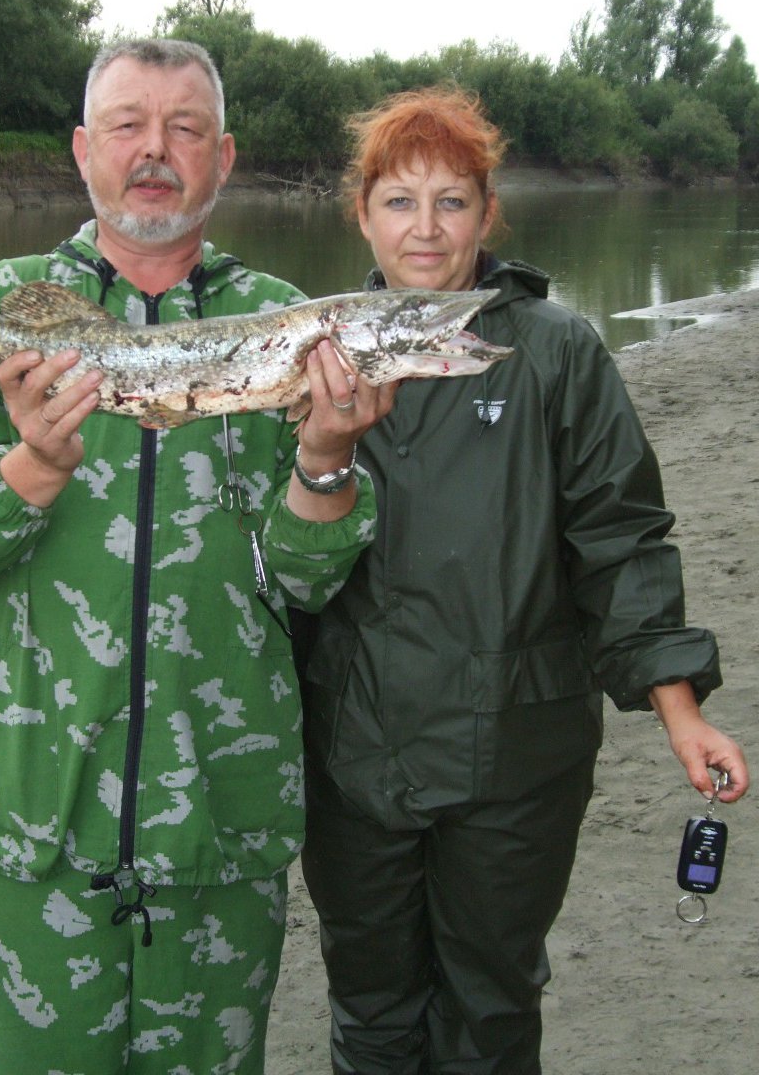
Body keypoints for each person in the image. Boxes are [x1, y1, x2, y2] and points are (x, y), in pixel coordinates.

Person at [0, 39, 395, 1075]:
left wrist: (330, 457)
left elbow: (305, 578)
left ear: (224, 156)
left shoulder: (285, 321)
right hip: (31, 820)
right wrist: (30, 466)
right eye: (127, 125)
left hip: (218, 823)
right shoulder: (13, 301)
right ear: (83, 149)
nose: (153, 151)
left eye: (185, 129)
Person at [297, 85, 750, 1075]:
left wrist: (680, 712)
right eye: (401, 200)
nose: (426, 228)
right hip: (354, 753)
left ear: (488, 213)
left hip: (519, 752)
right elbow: (271, 564)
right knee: (371, 1008)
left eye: (452, 200)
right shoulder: (306, 357)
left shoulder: (558, 352)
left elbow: (622, 542)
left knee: (491, 1008)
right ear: (362, 213)